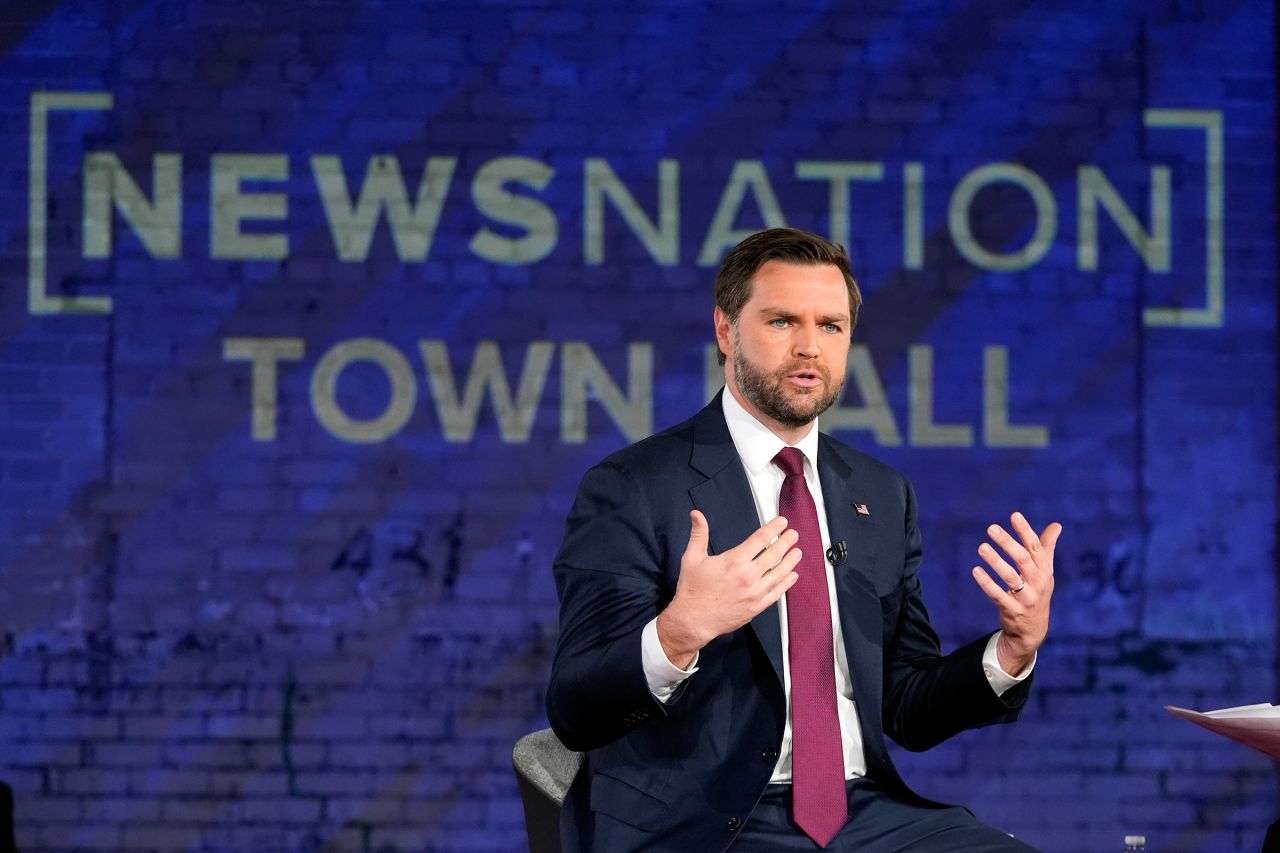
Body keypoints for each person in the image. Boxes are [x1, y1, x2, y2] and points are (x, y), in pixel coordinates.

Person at [546, 227, 1061, 852]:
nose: (810, 347)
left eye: (832, 326)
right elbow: (575, 710)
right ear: (726, 330)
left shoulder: (880, 494)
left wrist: (1012, 649)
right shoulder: (633, 486)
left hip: (863, 813)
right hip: (706, 824)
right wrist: (679, 632)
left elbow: (907, 706)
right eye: (783, 321)